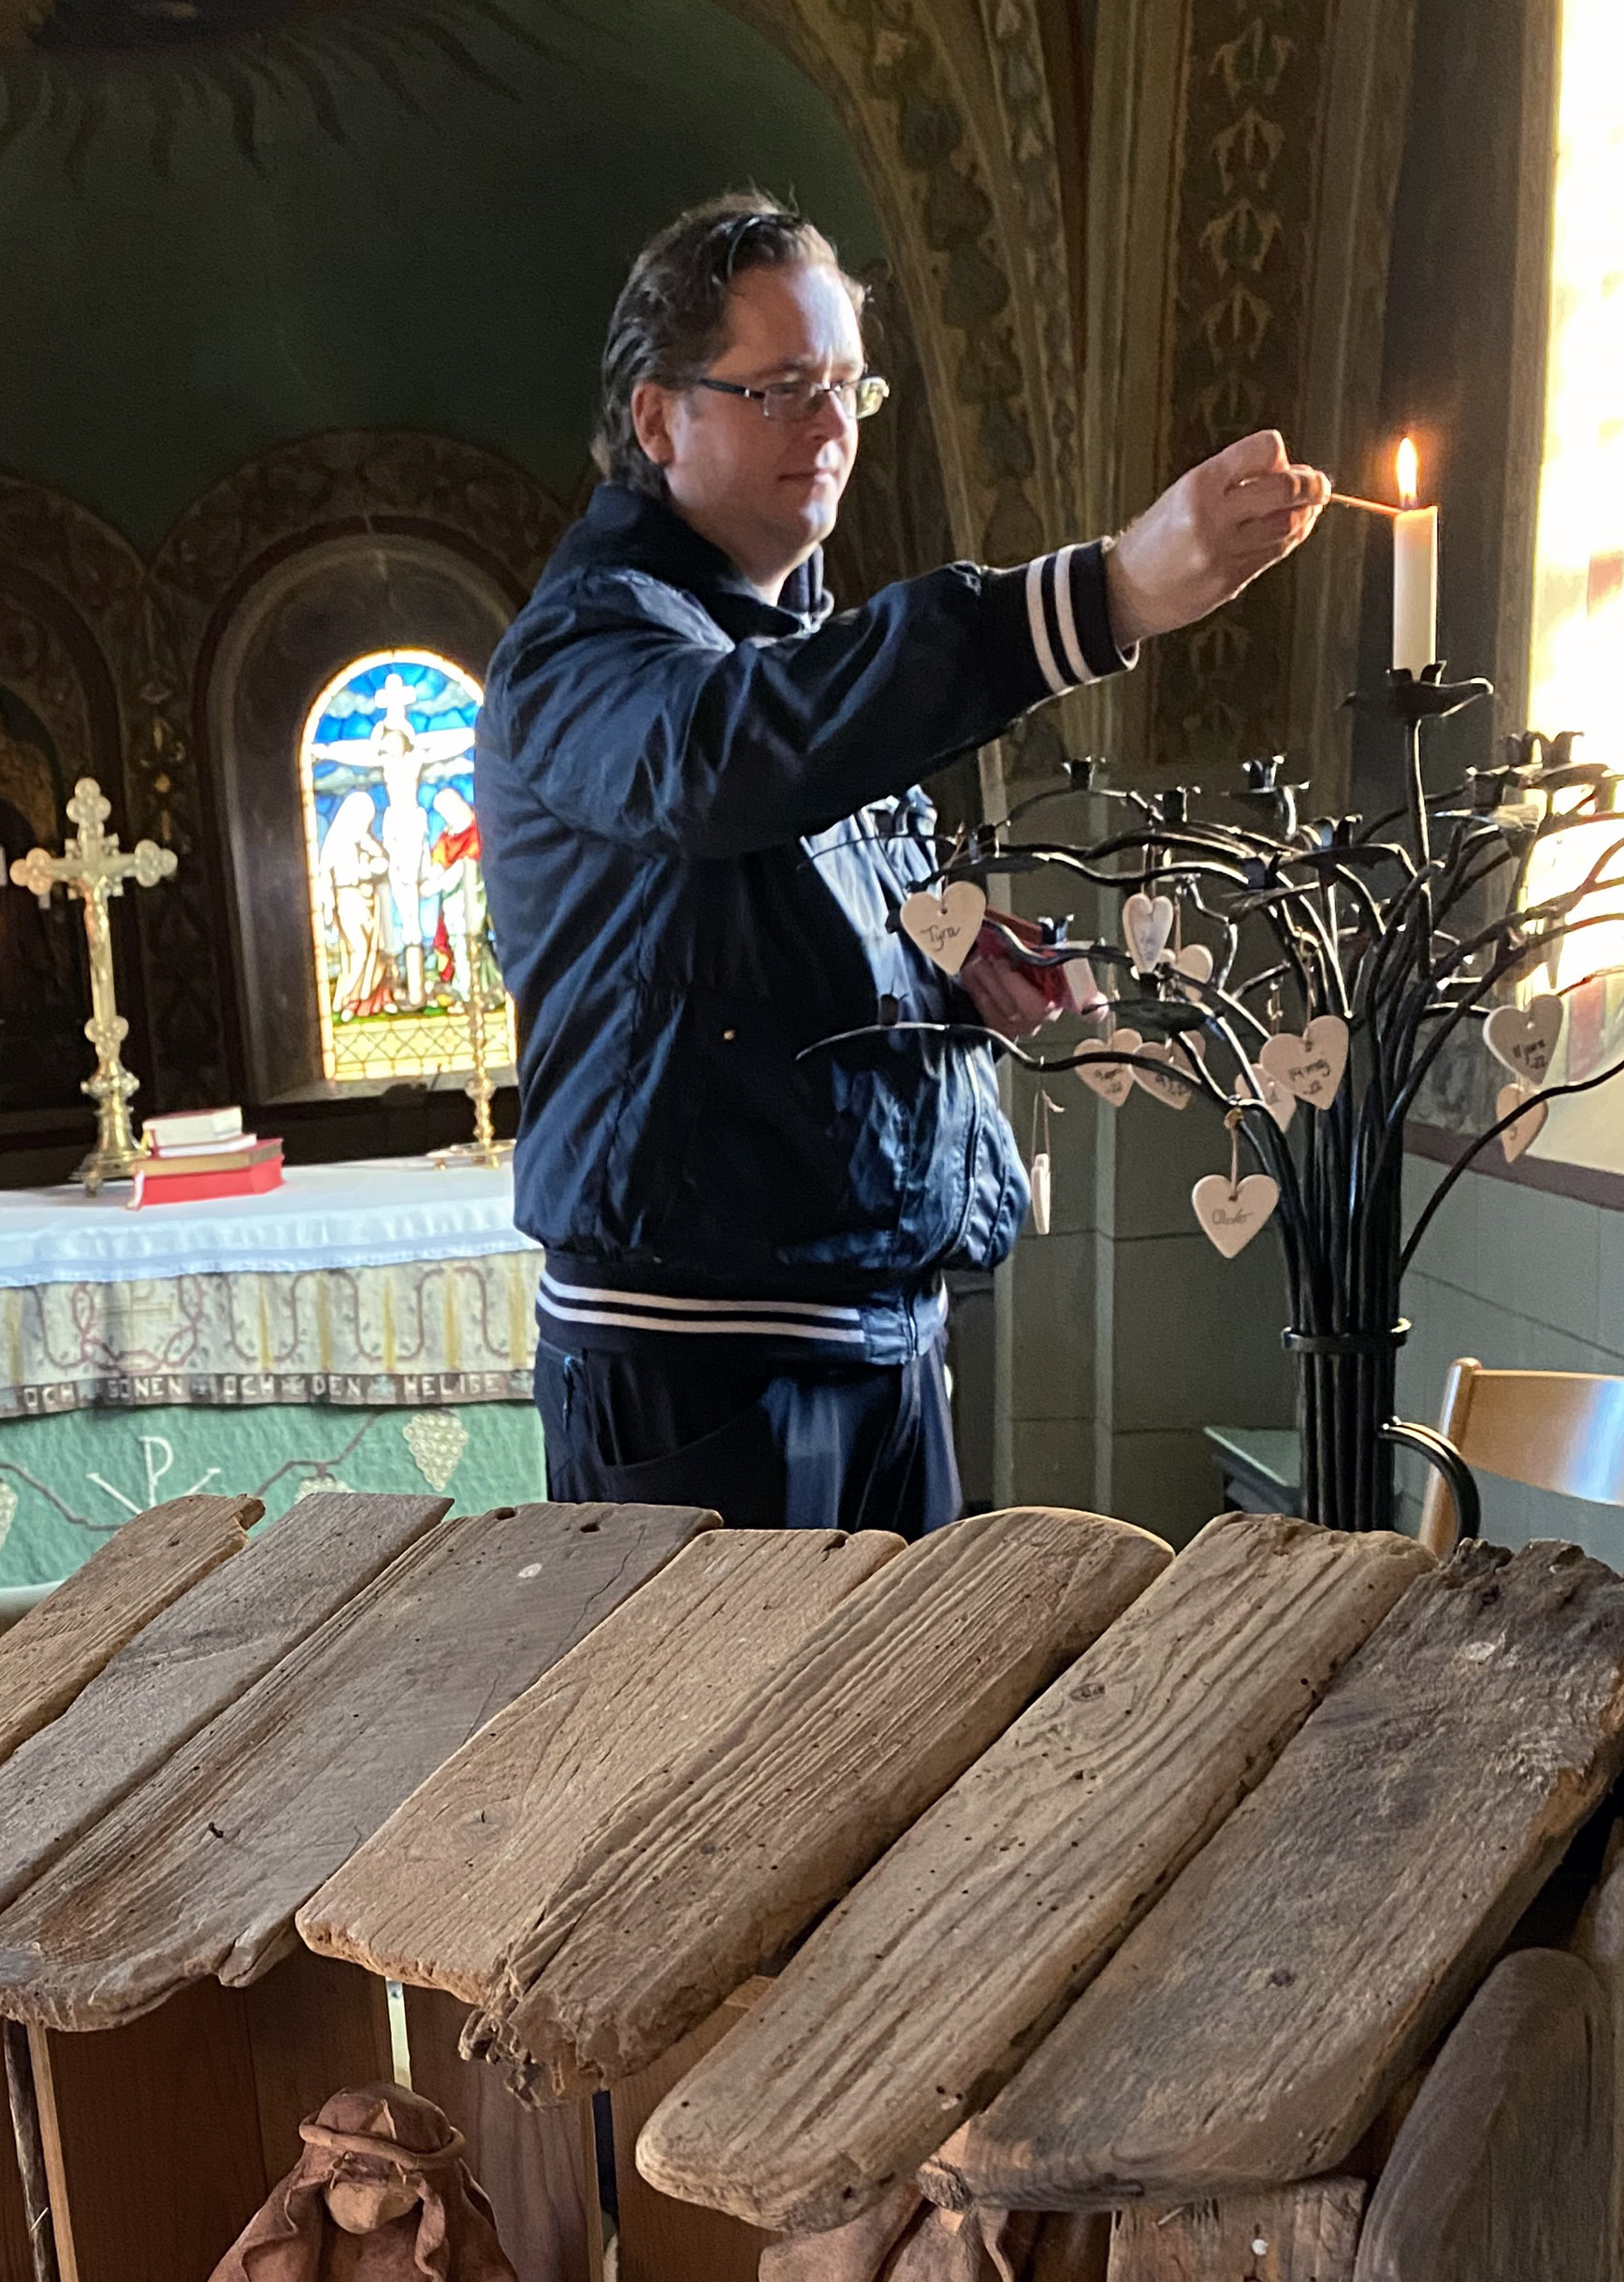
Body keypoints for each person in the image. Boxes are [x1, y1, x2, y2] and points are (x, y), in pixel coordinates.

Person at [478, 190, 1329, 1534]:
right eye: (782, 390)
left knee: (906, 1683)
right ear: (658, 418)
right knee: (731, 1693)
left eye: (848, 388)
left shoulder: (795, 654)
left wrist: (947, 968)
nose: (830, 427)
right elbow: (719, 760)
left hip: (878, 1332)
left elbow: (762, 922)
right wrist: (1105, 593)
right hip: (703, 1359)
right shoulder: (584, 651)